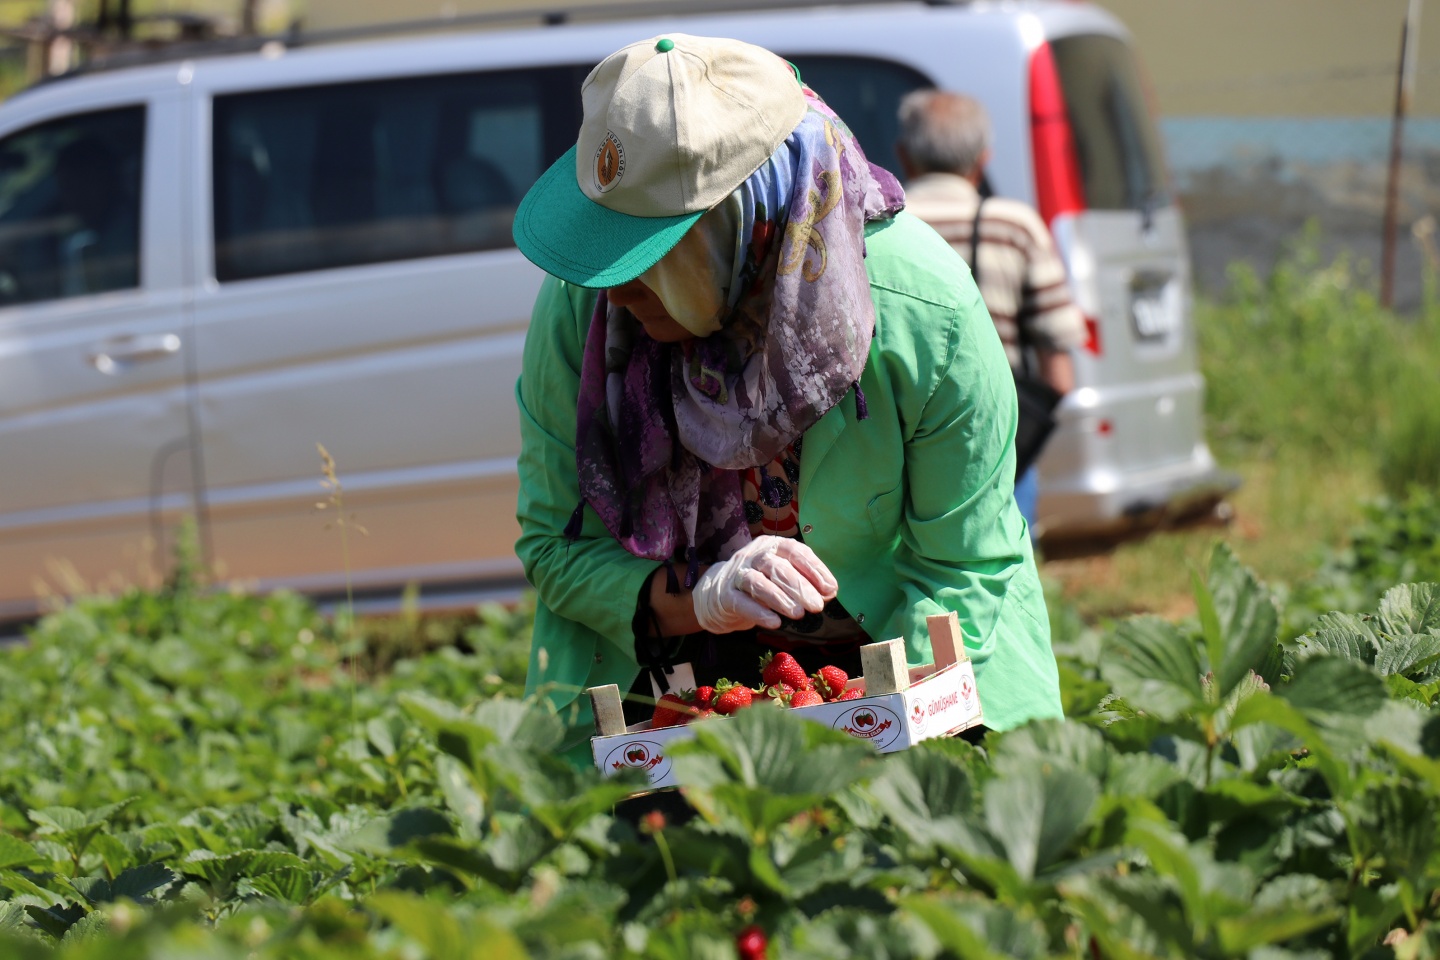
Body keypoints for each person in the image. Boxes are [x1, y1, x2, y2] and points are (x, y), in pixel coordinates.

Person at [511, 35, 1062, 765]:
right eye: (610, 244)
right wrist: (699, 597)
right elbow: (557, 545)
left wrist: (866, 721)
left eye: (652, 250)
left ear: (746, 219)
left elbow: (962, 564)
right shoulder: (590, 306)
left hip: (902, 680)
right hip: (666, 704)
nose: (617, 284)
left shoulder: (922, 311)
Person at [896, 90, 1086, 536]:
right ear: (983, 160)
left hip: (897, 447)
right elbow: (1060, 374)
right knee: (1004, 578)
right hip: (997, 441)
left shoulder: (876, 223)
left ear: (903, 156)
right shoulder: (1014, 228)